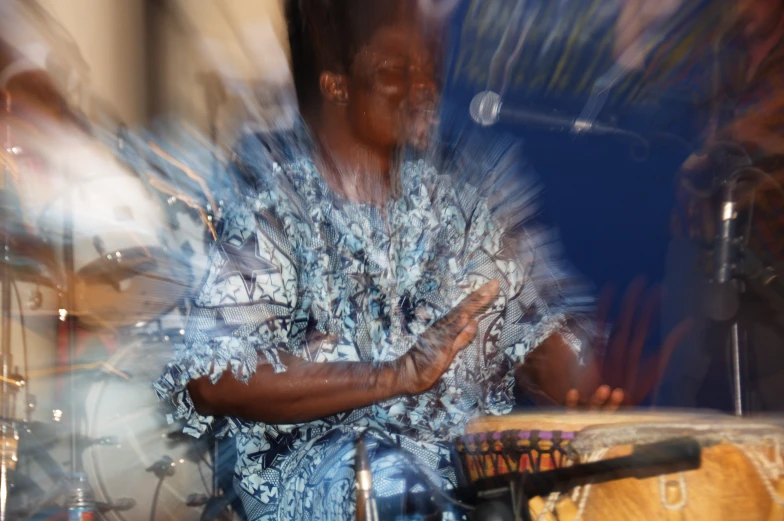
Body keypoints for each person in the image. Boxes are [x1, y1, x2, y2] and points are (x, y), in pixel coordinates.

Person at [154, 1, 624, 519]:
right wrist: (393, 375)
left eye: (429, 68)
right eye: (394, 71)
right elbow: (215, 374)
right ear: (337, 83)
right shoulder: (274, 195)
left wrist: (582, 389)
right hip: (323, 483)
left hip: (462, 481)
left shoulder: (470, 189)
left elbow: (538, 330)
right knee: (396, 485)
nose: (424, 87)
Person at [657, 0, 784, 411]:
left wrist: (747, 143)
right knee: (679, 388)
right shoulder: (708, 46)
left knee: (769, 391)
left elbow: (757, 132)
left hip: (769, 254)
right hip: (695, 243)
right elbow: (660, 109)